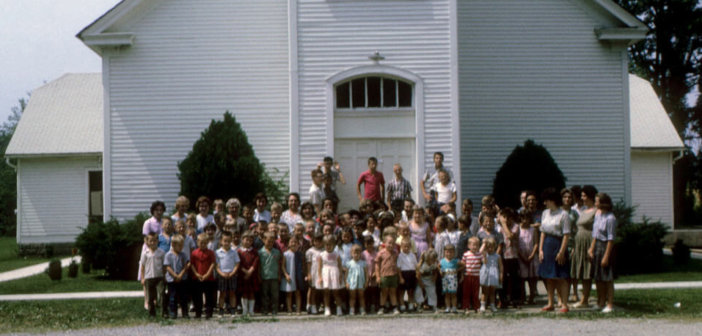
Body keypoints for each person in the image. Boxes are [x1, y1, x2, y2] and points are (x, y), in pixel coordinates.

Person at [538, 187, 572, 313]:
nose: (545, 203)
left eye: (546, 200)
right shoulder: (545, 213)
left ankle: (564, 304)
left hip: (558, 244)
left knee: (561, 276)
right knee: (548, 277)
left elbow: (566, 234)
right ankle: (550, 302)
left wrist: (562, 252)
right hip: (546, 245)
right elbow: (542, 232)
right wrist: (540, 250)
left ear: (552, 200)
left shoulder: (564, 214)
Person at [588, 192, 617, 313]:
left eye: (597, 201)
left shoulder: (611, 218)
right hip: (597, 245)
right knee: (598, 277)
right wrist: (591, 248)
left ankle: (610, 304)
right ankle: (600, 302)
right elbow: (595, 234)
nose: (595, 203)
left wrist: (606, 256)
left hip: (606, 247)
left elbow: (611, 239)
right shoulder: (598, 215)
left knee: (607, 277)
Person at [572, 185, 598, 308]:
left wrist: (592, 247)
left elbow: (597, 230)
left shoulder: (596, 211)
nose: (582, 198)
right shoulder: (583, 211)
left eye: (584, 196)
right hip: (579, 244)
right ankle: (584, 299)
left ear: (590, 196)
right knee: (581, 271)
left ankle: (585, 299)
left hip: (588, 242)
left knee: (588, 272)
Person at [498, 207, 521, 308]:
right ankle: (503, 300)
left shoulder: (515, 226)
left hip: (512, 255)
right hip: (502, 255)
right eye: (504, 217)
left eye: (508, 217)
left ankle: (514, 299)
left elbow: (510, 236)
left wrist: (503, 224)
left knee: (513, 278)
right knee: (504, 279)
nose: (506, 220)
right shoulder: (499, 227)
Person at [140, 232, 167, 317]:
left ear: (157, 241)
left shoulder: (161, 252)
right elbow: (142, 267)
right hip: (149, 277)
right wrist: (143, 278)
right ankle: (152, 313)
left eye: (154, 241)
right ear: (147, 242)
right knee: (150, 297)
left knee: (162, 294)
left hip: (159, 277)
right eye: (151, 241)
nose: (152, 243)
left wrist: (164, 276)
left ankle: (164, 312)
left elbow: (164, 266)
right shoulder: (145, 253)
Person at [164, 234, 190, 319]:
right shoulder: (168, 255)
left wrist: (181, 275)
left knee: (183, 297)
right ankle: (173, 312)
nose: (181, 247)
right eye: (179, 245)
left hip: (182, 278)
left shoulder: (183, 255)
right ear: (173, 245)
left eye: (182, 245)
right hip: (172, 279)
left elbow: (186, 265)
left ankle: (185, 312)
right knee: (173, 296)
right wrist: (175, 275)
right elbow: (167, 266)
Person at [190, 233, 216, 319]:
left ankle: (209, 312)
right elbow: (192, 264)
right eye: (201, 243)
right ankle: (198, 312)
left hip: (208, 278)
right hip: (197, 278)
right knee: (197, 296)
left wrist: (208, 274)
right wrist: (196, 274)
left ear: (208, 243)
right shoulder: (194, 253)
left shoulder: (211, 253)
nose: (203, 245)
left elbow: (213, 264)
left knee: (209, 296)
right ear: (197, 242)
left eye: (205, 243)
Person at [318, 234, 344, 316]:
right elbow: (319, 267)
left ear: (334, 244)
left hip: (334, 273)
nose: (328, 246)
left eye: (330, 244)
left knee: (336, 292)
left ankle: (339, 308)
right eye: (326, 244)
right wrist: (320, 277)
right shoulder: (322, 255)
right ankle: (327, 308)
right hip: (326, 273)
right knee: (326, 292)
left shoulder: (337, 254)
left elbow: (340, 266)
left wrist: (340, 276)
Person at [216, 231, 240, 317]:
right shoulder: (218, 252)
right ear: (221, 241)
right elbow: (216, 266)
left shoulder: (234, 252)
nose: (226, 243)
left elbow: (237, 263)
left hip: (232, 275)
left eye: (229, 241)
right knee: (222, 293)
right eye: (225, 241)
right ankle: (221, 310)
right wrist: (221, 273)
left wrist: (233, 272)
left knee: (232, 293)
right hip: (222, 275)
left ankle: (233, 310)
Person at [259, 231, 283, 315]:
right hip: (264, 276)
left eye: (272, 242)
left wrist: (279, 274)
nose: (270, 243)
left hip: (274, 276)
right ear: (264, 240)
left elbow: (279, 264)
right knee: (265, 294)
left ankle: (274, 309)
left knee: (275, 295)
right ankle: (265, 309)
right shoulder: (260, 252)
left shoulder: (277, 252)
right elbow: (259, 266)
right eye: (268, 241)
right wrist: (259, 276)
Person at [518, 211, 539, 305]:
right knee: (522, 278)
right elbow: (516, 245)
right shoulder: (518, 229)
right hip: (521, 256)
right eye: (523, 218)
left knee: (532, 278)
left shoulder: (533, 230)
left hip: (532, 256)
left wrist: (532, 255)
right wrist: (522, 256)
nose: (525, 221)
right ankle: (522, 296)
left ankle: (532, 296)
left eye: (527, 218)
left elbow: (536, 243)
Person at [375, 235, 401, 315]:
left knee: (393, 292)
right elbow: (377, 265)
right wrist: (378, 276)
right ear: (384, 243)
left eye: (393, 243)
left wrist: (399, 276)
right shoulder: (381, 253)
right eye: (389, 243)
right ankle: (382, 307)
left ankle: (394, 307)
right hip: (384, 275)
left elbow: (398, 265)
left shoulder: (395, 253)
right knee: (384, 292)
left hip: (393, 275)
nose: (391, 245)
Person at [237, 231, 259, 316]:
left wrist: (250, 271)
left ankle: (251, 310)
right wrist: (245, 271)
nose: (248, 242)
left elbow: (256, 262)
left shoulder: (254, 251)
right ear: (242, 240)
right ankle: (245, 310)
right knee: (244, 292)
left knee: (251, 292)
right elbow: (238, 263)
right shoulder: (239, 251)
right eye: (246, 240)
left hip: (252, 275)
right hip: (243, 275)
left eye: (250, 240)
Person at [281, 237, 305, 315]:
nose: (293, 244)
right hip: (290, 276)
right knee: (289, 293)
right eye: (291, 242)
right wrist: (286, 275)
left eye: (295, 242)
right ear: (288, 243)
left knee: (298, 293)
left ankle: (298, 309)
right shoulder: (286, 254)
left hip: (298, 276)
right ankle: (289, 309)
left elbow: (303, 265)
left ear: (298, 244)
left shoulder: (300, 254)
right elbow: (283, 266)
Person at [479, 237, 502, 313]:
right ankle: (483, 305)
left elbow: (501, 266)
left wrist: (501, 275)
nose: (490, 249)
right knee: (484, 291)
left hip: (494, 274)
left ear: (495, 247)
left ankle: (492, 305)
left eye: (492, 247)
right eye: (488, 247)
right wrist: (484, 243)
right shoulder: (485, 255)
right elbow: (481, 253)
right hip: (485, 273)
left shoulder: (497, 256)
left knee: (492, 292)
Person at [344, 244, 368, 315]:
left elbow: (366, 273)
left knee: (361, 296)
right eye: (355, 253)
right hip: (352, 282)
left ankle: (362, 309)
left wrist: (366, 281)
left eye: (358, 253)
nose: (356, 255)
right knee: (352, 297)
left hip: (361, 282)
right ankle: (352, 309)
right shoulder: (349, 263)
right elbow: (346, 274)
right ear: (351, 254)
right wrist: (346, 282)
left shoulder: (363, 263)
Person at [461, 237, 481, 314]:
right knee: (466, 293)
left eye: (477, 245)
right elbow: (463, 265)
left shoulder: (479, 254)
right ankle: (466, 307)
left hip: (476, 276)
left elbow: (484, 262)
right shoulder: (466, 254)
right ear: (469, 246)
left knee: (476, 293)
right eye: (473, 245)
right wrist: (462, 274)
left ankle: (477, 307)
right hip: (467, 276)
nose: (475, 247)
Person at [397, 238, 418, 312]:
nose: (406, 248)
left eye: (408, 246)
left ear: (410, 247)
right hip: (404, 274)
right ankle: (402, 305)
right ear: (401, 247)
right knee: (402, 291)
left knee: (411, 291)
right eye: (404, 246)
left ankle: (410, 305)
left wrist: (416, 275)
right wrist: (400, 278)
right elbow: (398, 268)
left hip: (411, 273)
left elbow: (416, 265)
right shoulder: (400, 256)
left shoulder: (412, 255)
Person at [305, 233, 324, 314]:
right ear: (313, 241)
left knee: (322, 290)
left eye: (320, 241)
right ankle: (312, 306)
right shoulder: (310, 251)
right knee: (313, 290)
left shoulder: (324, 250)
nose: (318, 243)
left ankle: (322, 305)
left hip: (322, 272)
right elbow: (308, 264)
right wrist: (309, 274)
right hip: (314, 272)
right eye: (316, 241)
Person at [416, 248, 439, 313]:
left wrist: (435, 277)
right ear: (427, 259)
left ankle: (434, 306)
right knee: (418, 292)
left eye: (434, 259)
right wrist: (420, 283)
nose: (433, 260)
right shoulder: (423, 266)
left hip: (430, 279)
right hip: (421, 280)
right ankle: (419, 305)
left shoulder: (434, 264)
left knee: (432, 292)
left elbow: (435, 271)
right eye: (432, 259)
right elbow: (418, 275)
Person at [439, 243, 460, 313]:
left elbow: (463, 265)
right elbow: (438, 266)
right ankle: (447, 307)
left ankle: (454, 307)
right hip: (445, 279)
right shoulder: (442, 261)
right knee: (447, 294)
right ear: (444, 252)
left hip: (453, 279)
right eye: (447, 252)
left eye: (451, 252)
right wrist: (440, 271)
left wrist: (457, 270)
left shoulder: (455, 261)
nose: (449, 254)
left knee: (453, 294)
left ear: (454, 252)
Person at [362, 236, 379, 313]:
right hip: (365, 276)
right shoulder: (363, 254)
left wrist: (375, 273)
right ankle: (366, 306)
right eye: (367, 244)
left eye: (371, 243)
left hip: (373, 275)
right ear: (364, 244)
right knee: (366, 292)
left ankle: (374, 305)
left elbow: (378, 264)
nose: (369, 245)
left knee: (374, 291)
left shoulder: (376, 253)